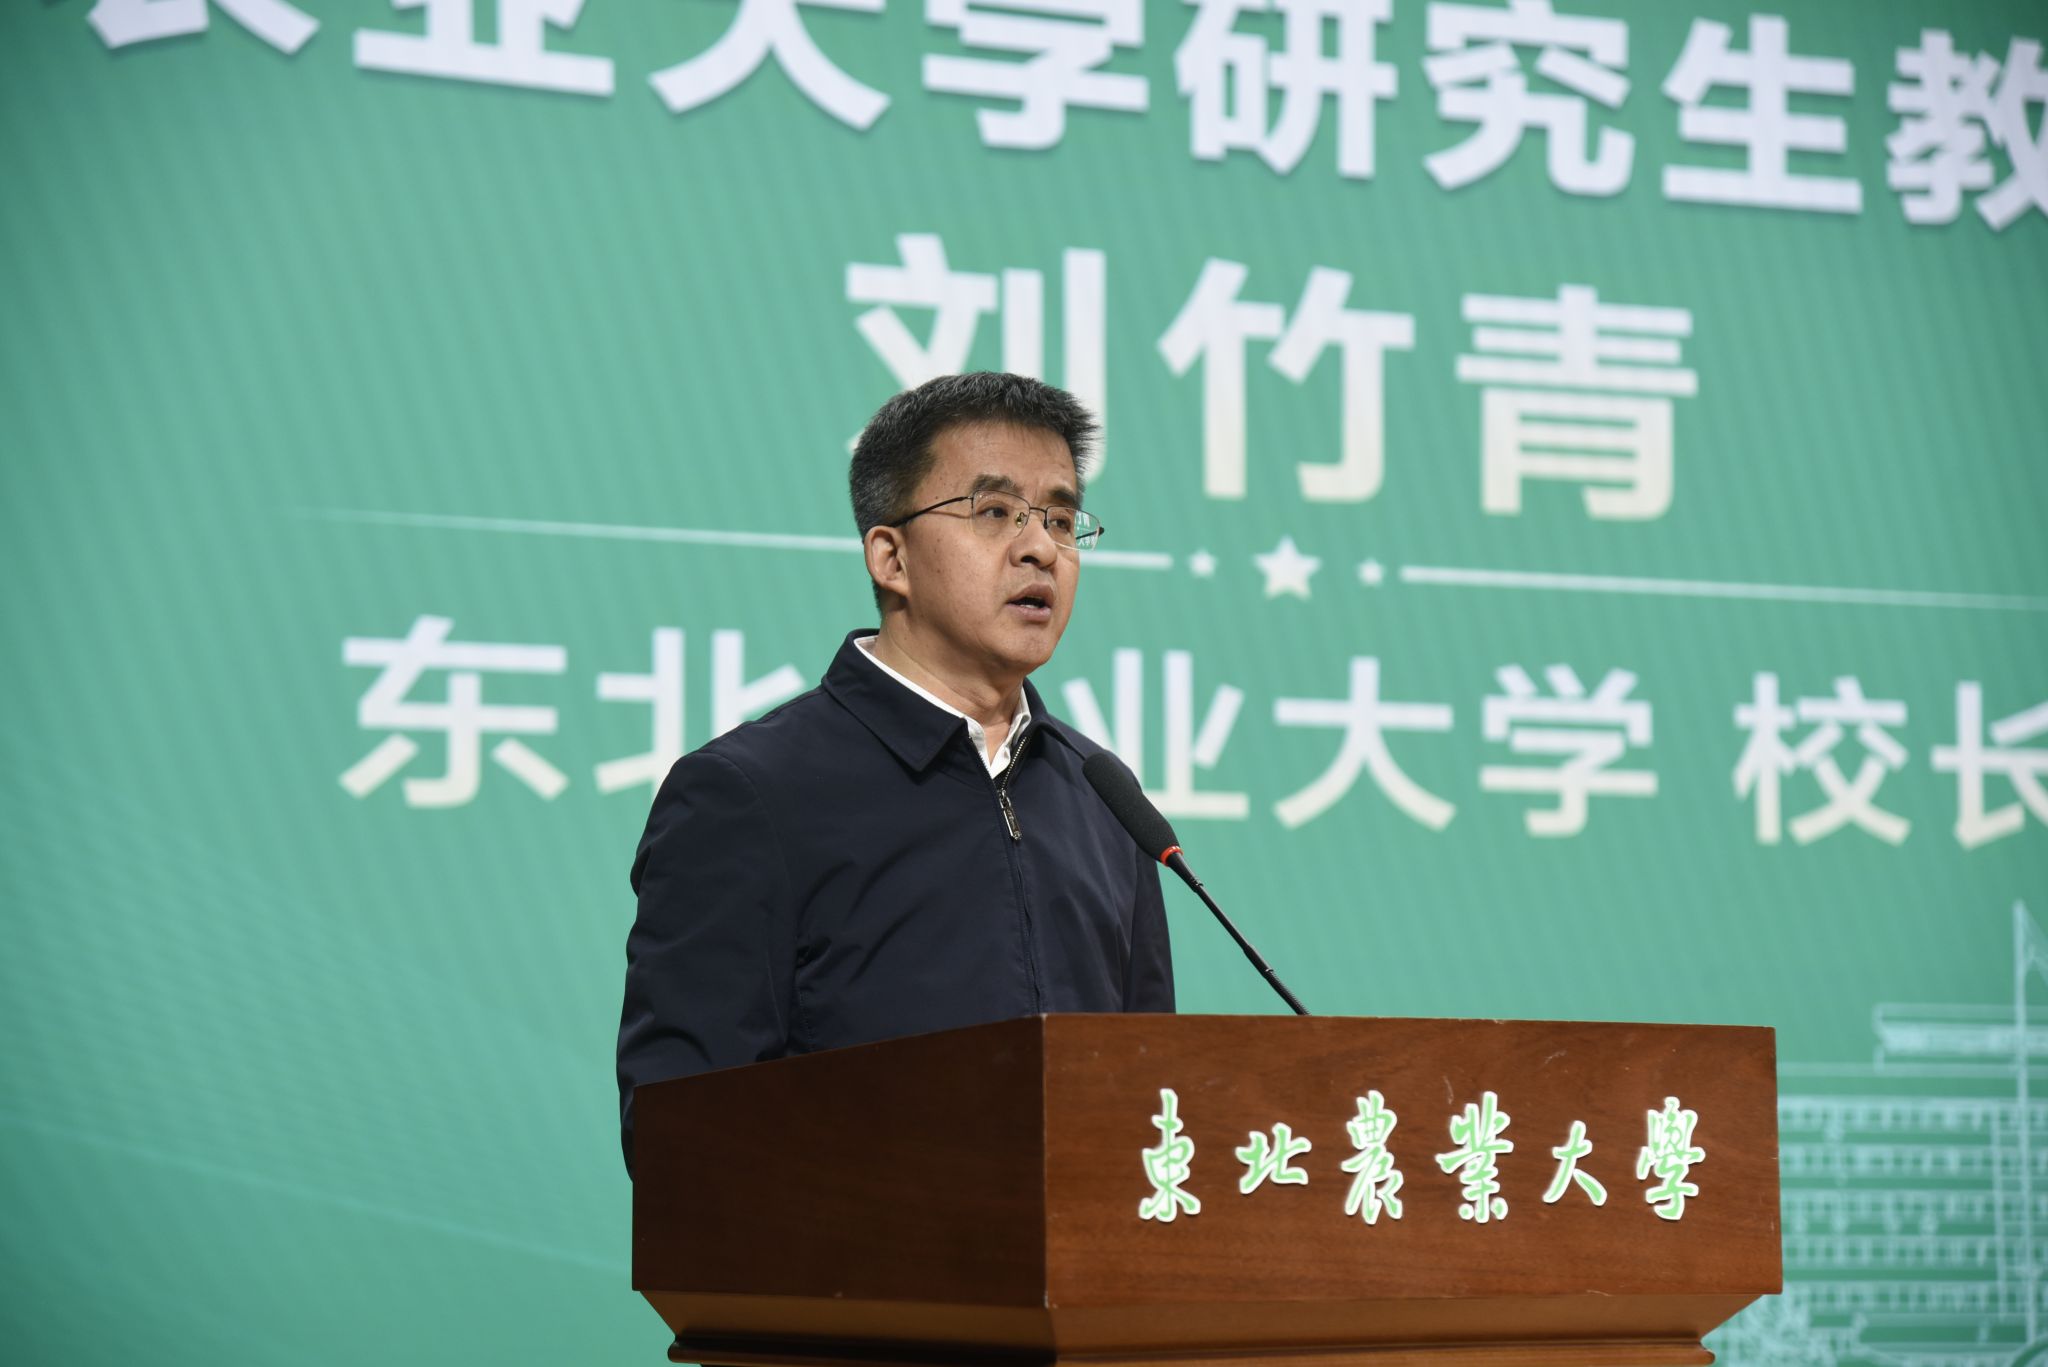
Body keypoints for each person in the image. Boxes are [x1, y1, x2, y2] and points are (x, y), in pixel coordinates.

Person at [615, 371, 1175, 1174]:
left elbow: (1150, 1107)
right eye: (994, 511)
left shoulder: (1101, 797)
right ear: (891, 556)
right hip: (856, 1255)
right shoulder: (751, 794)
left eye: (1059, 518)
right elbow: (683, 1137)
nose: (1040, 548)